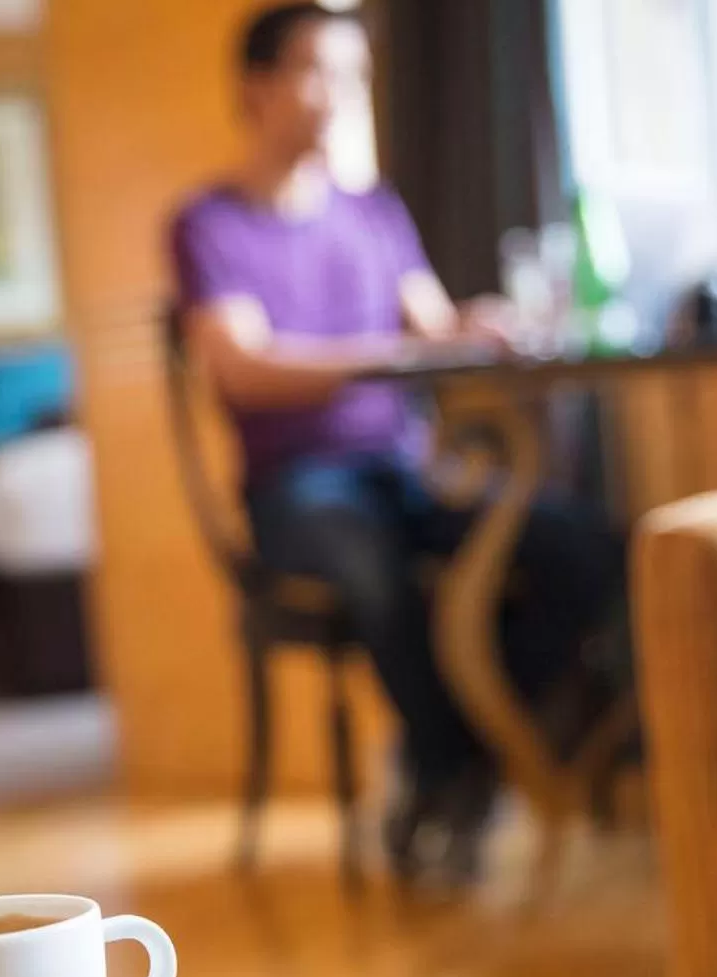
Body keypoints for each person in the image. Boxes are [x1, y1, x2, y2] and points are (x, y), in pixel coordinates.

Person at [169, 2, 623, 880]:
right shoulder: (210, 226)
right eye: (315, 71)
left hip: (404, 468)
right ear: (254, 88)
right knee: (373, 566)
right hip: (297, 486)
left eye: (352, 76)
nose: (337, 96)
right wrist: (396, 349)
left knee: (578, 547)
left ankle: (458, 753)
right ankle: (451, 766)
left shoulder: (372, 211)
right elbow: (243, 369)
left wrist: (479, 324)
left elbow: (431, 324)